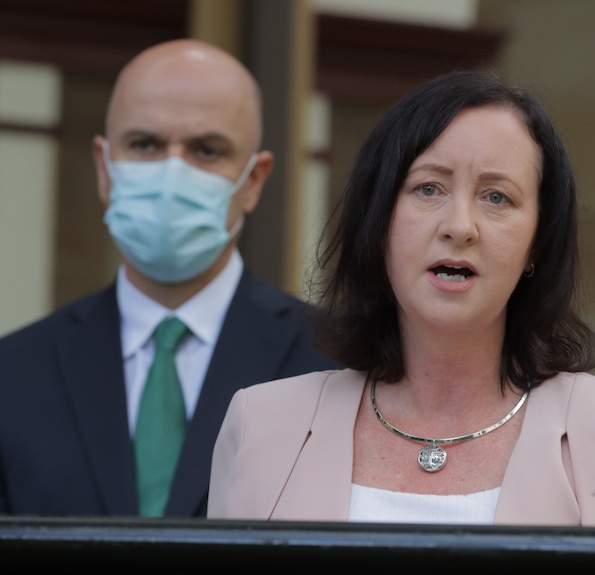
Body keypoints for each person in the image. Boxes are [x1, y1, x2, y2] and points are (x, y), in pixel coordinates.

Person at [207, 69, 595, 526]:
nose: (459, 226)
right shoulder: (261, 425)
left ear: (536, 245)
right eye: (428, 188)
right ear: (379, 223)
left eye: (496, 197)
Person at [0, 39, 340, 518]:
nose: (171, 173)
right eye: (145, 145)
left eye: (206, 150)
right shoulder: (12, 374)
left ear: (254, 181)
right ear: (104, 167)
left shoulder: (335, 366)